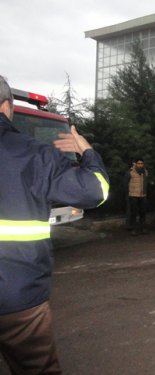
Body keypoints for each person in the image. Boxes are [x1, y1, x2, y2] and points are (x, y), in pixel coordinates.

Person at [0, 75, 109, 374]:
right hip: (17, 297)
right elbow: (95, 191)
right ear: (7, 107)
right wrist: (88, 152)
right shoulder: (34, 153)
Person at [124, 158, 148, 235]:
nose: (140, 165)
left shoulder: (145, 172)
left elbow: (146, 182)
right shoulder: (130, 172)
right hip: (133, 195)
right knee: (134, 212)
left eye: (141, 163)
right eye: (139, 163)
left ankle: (142, 228)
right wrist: (127, 193)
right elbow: (125, 183)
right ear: (135, 164)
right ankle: (133, 229)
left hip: (142, 195)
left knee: (143, 212)